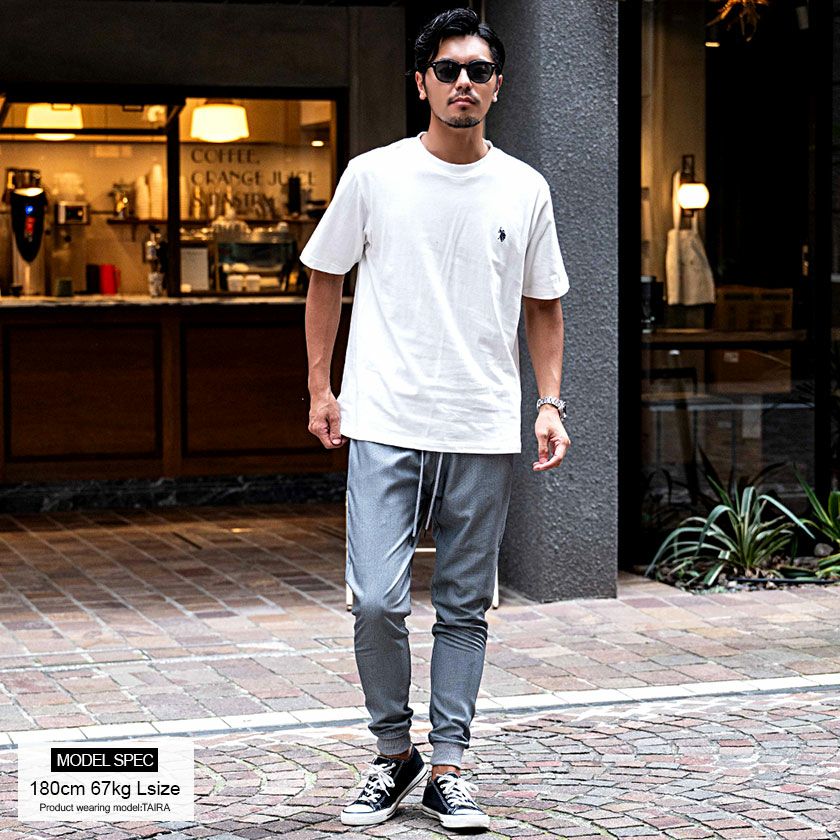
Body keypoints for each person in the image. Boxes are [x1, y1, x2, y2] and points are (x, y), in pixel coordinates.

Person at [302, 7, 570, 831]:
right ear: (421, 82)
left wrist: (549, 401)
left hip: (481, 425)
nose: (463, 83)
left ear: (498, 85)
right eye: (447, 70)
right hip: (385, 417)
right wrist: (320, 388)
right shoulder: (373, 175)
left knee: (463, 606)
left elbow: (544, 303)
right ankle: (394, 753)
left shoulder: (525, 187)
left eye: (478, 71)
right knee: (375, 601)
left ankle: (448, 765)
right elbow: (324, 277)